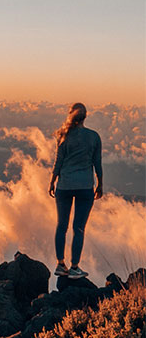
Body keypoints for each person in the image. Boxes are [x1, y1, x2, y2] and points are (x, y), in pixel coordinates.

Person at [48, 102, 103, 278]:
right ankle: (74, 267)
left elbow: (58, 161)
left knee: (61, 226)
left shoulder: (63, 135)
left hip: (64, 186)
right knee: (78, 227)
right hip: (85, 187)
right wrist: (100, 184)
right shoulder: (94, 137)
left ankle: (60, 264)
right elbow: (97, 163)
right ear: (85, 117)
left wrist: (52, 181)